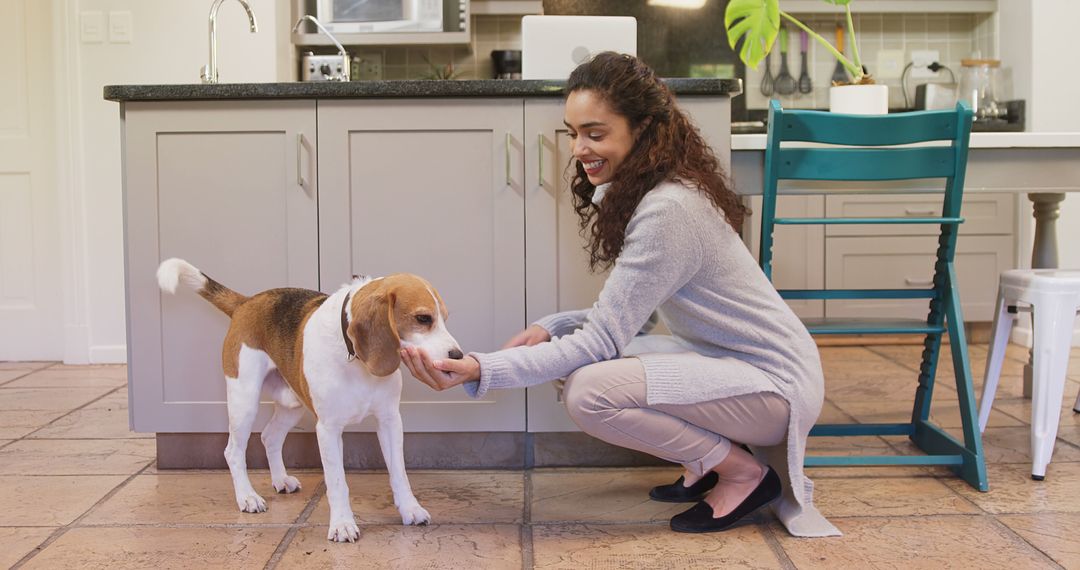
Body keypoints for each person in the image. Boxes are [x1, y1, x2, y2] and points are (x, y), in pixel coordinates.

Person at [401, 52, 839, 537]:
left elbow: (600, 342)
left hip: (775, 386)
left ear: (643, 130)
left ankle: (743, 473)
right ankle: (710, 460)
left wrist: (484, 369)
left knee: (590, 390)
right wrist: (555, 326)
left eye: (595, 133)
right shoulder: (656, 194)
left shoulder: (669, 209)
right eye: (572, 133)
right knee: (570, 363)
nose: (578, 148)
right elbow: (633, 310)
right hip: (734, 364)